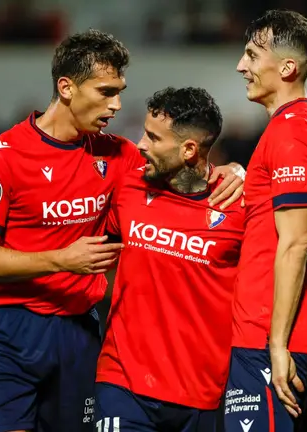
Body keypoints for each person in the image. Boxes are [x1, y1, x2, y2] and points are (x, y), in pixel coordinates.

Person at [0, 31, 244, 432]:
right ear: (66, 88)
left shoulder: (117, 155)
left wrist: (232, 172)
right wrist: (61, 259)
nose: (117, 105)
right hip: (9, 331)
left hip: (79, 331)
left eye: (120, 91)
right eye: (106, 91)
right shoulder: (3, 157)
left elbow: (182, 166)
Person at [225, 10, 307, 432]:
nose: (242, 66)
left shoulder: (288, 133)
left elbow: (296, 242)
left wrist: (276, 344)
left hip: (272, 337)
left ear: (286, 68)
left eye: (251, 55)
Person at [94, 86, 243, 432]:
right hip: (123, 384)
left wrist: (241, 172)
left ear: (189, 149)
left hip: (203, 396)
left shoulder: (238, 206)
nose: (141, 145)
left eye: (153, 138)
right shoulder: (127, 188)